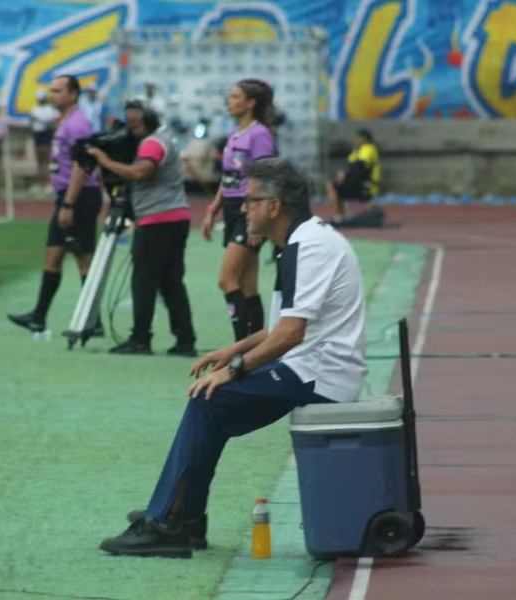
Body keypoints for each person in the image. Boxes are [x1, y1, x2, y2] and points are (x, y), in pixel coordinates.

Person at [98, 157, 369, 559]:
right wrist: (233, 350)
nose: (242, 207)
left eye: (250, 200)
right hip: (313, 366)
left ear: (274, 206)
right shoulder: (298, 241)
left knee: (210, 401)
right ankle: (182, 517)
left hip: (320, 375)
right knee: (210, 401)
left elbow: (291, 335)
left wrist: (234, 371)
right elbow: (280, 326)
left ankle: (172, 523)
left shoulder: (307, 247)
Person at [86, 101, 198, 356]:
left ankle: (140, 339)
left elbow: (141, 172)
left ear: (147, 122)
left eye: (135, 124)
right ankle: (185, 340)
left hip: (157, 218)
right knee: (171, 282)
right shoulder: (165, 138)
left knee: (143, 281)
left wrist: (105, 160)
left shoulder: (152, 143)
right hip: (176, 216)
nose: (131, 130)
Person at [7, 75, 104, 334]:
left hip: (79, 197)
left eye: (58, 91)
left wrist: (69, 204)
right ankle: (39, 316)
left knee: (83, 258)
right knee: (53, 254)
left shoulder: (78, 125)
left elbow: (81, 167)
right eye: (51, 91)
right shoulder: (66, 122)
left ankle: (94, 321)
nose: (52, 95)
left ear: (73, 94)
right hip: (67, 196)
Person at [201, 79, 277, 342]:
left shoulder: (260, 135)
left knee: (227, 280)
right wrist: (213, 209)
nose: (229, 102)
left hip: (249, 212)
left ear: (251, 103)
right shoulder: (235, 134)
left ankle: (240, 347)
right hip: (233, 209)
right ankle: (256, 346)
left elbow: (265, 176)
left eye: (235, 97)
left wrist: (257, 217)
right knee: (246, 284)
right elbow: (229, 176)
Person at [326, 129, 380, 222]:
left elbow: (360, 168)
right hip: (357, 183)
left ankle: (338, 216)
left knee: (331, 186)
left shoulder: (368, 149)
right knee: (336, 185)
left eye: (357, 138)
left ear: (363, 139)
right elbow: (350, 165)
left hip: (366, 186)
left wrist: (345, 177)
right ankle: (343, 215)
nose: (355, 140)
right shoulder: (358, 150)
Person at [30, 89, 59, 193]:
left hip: (47, 135)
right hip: (37, 135)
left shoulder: (51, 110)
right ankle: (39, 183)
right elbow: (32, 123)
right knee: (39, 161)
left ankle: (49, 183)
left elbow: (54, 123)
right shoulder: (34, 109)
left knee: (48, 160)